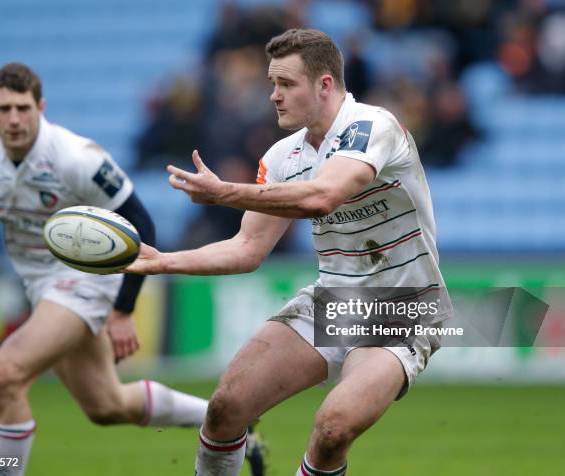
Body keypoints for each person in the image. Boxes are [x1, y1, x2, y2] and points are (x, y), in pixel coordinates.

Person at [126, 28, 452, 476]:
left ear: (324, 84)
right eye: (272, 85)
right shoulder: (283, 156)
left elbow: (322, 197)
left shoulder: (372, 126)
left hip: (403, 307)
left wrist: (224, 193)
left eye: (286, 84)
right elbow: (246, 249)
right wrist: (163, 261)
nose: (275, 96)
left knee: (333, 429)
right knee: (225, 407)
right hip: (332, 302)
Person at [0, 63, 265, 476]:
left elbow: (142, 221)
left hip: (86, 277)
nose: (14, 119)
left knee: (6, 372)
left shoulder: (74, 156)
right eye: (5, 108)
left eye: (23, 108)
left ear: (40, 107)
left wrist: (123, 309)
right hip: (38, 284)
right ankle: (228, 424)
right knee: (106, 405)